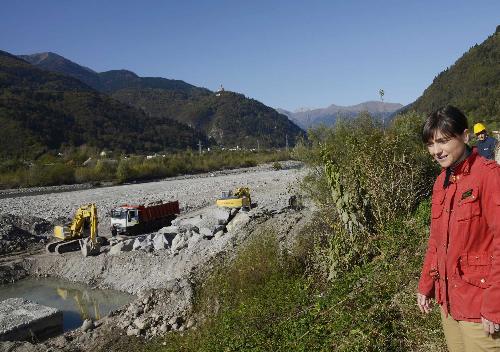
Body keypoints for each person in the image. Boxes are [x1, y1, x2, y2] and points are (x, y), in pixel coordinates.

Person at [417, 105, 500, 351]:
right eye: (430, 144)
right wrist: (426, 285)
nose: (436, 151)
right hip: (449, 302)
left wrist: (495, 304)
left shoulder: (488, 176)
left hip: (481, 307)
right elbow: (436, 241)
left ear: (465, 136)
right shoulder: (441, 182)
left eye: (443, 141)